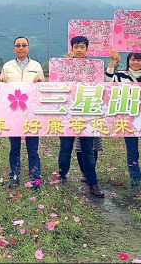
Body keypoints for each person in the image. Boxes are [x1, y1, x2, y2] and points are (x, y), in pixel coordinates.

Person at [105, 50, 141, 191]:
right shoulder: (120, 76)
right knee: (132, 154)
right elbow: (106, 82)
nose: (136, 63)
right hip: (128, 121)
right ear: (128, 61)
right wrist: (112, 62)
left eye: (139, 60)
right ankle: (136, 184)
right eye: (133, 60)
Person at [56, 36, 105, 198]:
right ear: (71, 48)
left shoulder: (94, 67)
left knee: (88, 152)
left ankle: (93, 184)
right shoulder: (63, 66)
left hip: (87, 114)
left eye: (81, 47)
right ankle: (62, 177)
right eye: (75, 47)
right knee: (65, 151)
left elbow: (101, 87)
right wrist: (64, 66)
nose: (78, 50)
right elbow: (56, 85)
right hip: (67, 114)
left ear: (86, 49)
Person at [0, 36, 45, 189]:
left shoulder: (36, 66)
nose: (21, 48)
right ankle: (14, 176)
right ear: (14, 48)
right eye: (18, 45)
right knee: (14, 147)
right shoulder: (7, 66)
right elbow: (1, 88)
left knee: (33, 148)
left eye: (24, 45)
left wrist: (39, 85)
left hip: (32, 113)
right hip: (13, 113)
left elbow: (42, 88)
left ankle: (35, 178)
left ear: (28, 48)